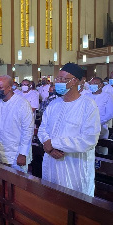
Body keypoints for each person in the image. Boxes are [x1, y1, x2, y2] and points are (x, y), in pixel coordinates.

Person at [38, 63, 101, 197]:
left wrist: (53, 144)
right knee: (51, 203)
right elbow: (42, 129)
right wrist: (48, 146)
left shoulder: (88, 105)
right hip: (52, 164)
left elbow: (88, 139)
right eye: (58, 79)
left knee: (75, 206)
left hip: (75, 168)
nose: (59, 82)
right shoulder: (54, 104)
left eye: (63, 79)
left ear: (75, 81)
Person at [0, 75, 34, 172]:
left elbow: (28, 131)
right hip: (0, 150)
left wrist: (23, 154)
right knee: (1, 184)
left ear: (10, 88)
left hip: (17, 153)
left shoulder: (22, 104)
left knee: (18, 184)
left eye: (0, 88)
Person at [87, 77, 113, 154]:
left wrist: (97, 123)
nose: (92, 85)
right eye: (91, 84)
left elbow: (110, 113)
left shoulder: (107, 96)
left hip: (101, 128)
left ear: (101, 85)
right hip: (87, 128)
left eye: (95, 83)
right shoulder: (86, 96)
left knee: (102, 151)